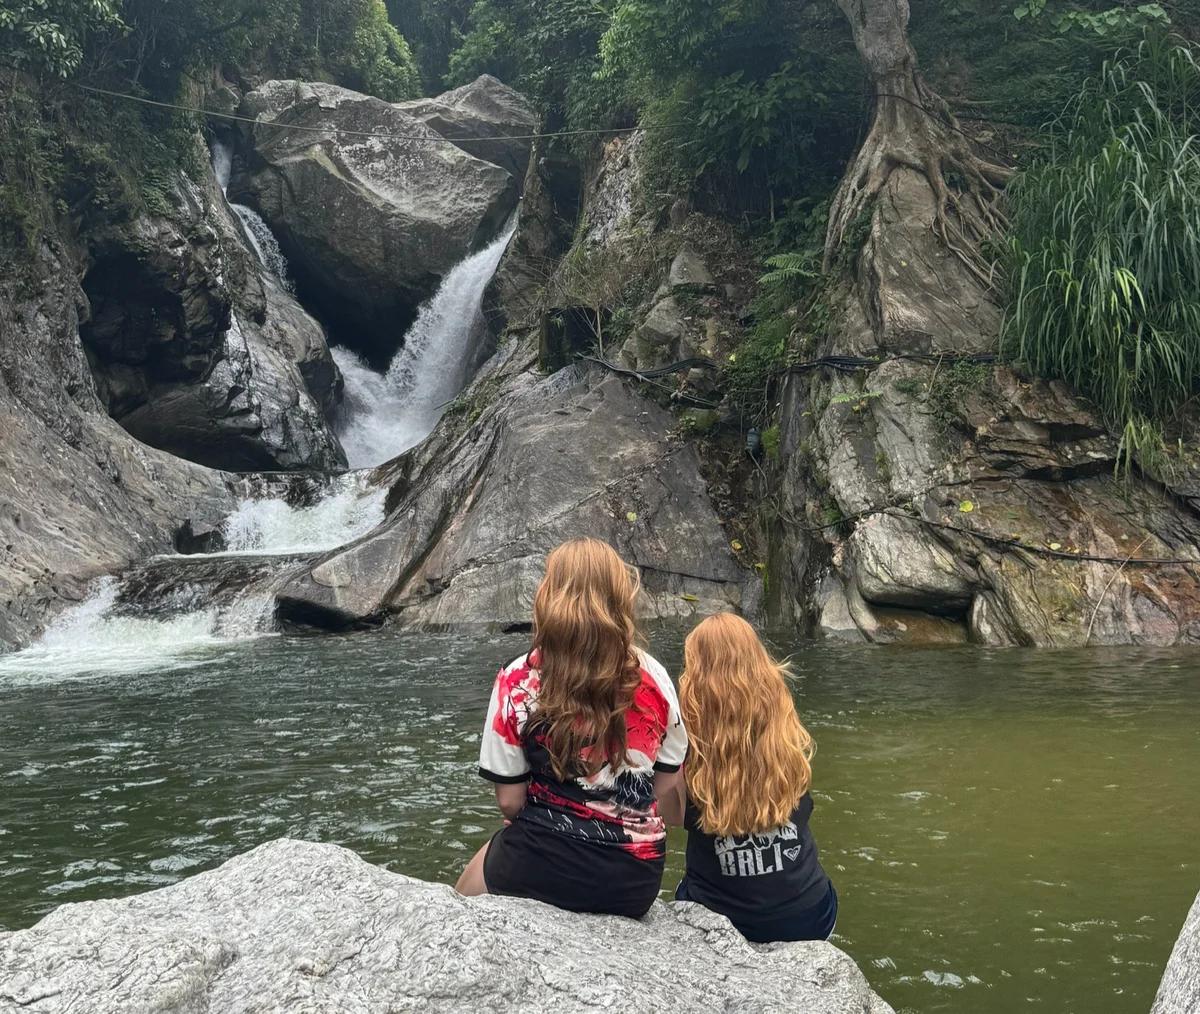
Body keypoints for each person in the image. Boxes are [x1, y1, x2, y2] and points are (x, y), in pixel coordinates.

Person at [454, 538, 687, 918]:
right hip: (635, 877)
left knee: (458, 904)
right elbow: (661, 787)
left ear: (549, 597)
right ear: (619, 598)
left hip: (541, 860)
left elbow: (509, 803)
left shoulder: (518, 679)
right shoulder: (656, 678)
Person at [672, 612, 836, 942]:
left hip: (719, 917)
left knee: (683, 890)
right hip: (808, 916)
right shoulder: (785, 732)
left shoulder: (684, 737)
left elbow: (670, 816)